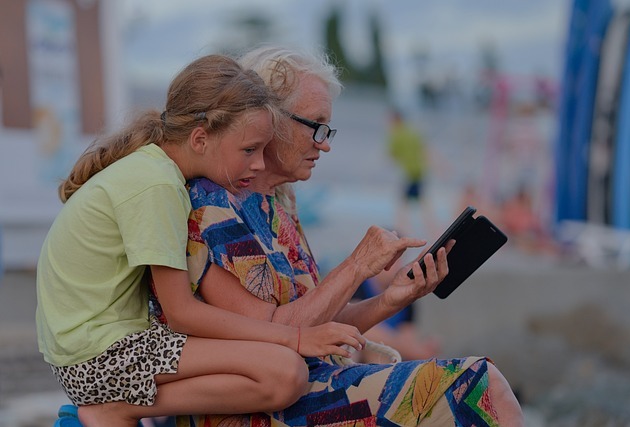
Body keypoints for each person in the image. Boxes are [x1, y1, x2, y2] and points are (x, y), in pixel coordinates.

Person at [171, 45, 524, 426]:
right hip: (259, 407)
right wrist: (356, 266)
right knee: (481, 386)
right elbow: (272, 332)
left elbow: (315, 323)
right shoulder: (214, 206)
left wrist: (391, 299)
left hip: (308, 388)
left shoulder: (276, 202)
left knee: (481, 388)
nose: (324, 143)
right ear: (269, 119)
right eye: (316, 125)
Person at [36, 54, 366, 427]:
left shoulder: (154, 171)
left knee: (282, 370)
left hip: (97, 351)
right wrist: (295, 337)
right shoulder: (157, 185)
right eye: (249, 150)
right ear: (200, 139)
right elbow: (182, 313)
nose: (259, 163)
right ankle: (115, 409)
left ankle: (118, 408)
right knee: (283, 371)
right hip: (97, 359)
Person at [351, 266, 442, 364]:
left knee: (434, 343)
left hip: (391, 353)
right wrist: (413, 351)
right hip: (369, 352)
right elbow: (356, 328)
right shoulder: (358, 286)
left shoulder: (407, 293)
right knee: (363, 348)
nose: (396, 266)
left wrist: (419, 349)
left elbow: (408, 335)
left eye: (399, 260)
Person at [387, 108, 433, 237]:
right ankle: (434, 231)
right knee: (422, 204)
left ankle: (400, 233)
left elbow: (392, 155)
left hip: (407, 174)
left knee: (403, 206)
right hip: (419, 172)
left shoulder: (396, 135)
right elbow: (425, 150)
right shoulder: (413, 132)